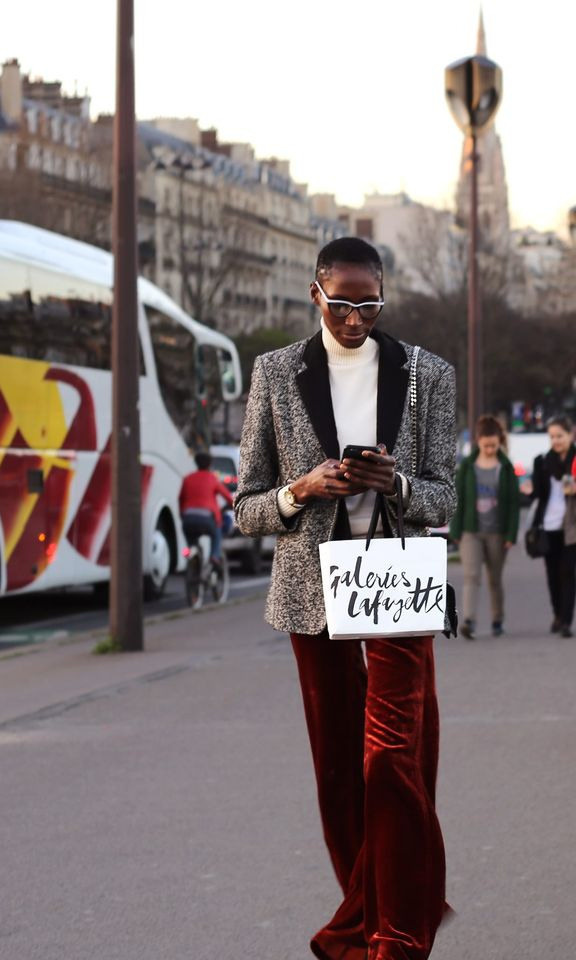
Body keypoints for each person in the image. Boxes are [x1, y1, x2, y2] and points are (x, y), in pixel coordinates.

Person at [234, 237, 457, 960]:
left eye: (370, 305)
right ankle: (368, 919)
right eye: (342, 305)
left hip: (396, 580)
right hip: (312, 591)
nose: (356, 319)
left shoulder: (427, 374)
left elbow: (444, 495)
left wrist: (395, 482)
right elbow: (246, 507)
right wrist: (302, 489)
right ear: (316, 294)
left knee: (392, 757)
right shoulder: (275, 373)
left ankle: (396, 935)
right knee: (337, 770)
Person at [450, 414, 520, 640]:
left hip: (497, 532)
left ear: (500, 442)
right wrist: (456, 530)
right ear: (478, 441)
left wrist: (511, 534)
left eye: (493, 445)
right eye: (485, 445)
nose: (489, 449)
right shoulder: (467, 467)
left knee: (494, 579)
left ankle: (498, 620)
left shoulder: (506, 468)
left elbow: (514, 504)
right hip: (471, 531)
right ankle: (469, 621)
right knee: (471, 576)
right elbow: (458, 499)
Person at [528, 416, 576, 637]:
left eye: (560, 436)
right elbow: (538, 494)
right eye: (552, 437)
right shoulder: (543, 462)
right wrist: (530, 490)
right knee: (552, 576)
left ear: (570, 435)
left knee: (568, 574)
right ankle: (557, 614)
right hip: (548, 526)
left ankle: (566, 621)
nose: (556, 441)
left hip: (571, 527)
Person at [179, 451, 233, 564]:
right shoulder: (212, 479)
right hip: (207, 520)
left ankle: (190, 552)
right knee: (217, 533)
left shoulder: (188, 478)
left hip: (188, 519)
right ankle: (214, 556)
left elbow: (180, 499)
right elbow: (228, 498)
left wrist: (182, 515)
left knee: (191, 540)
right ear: (209, 464)